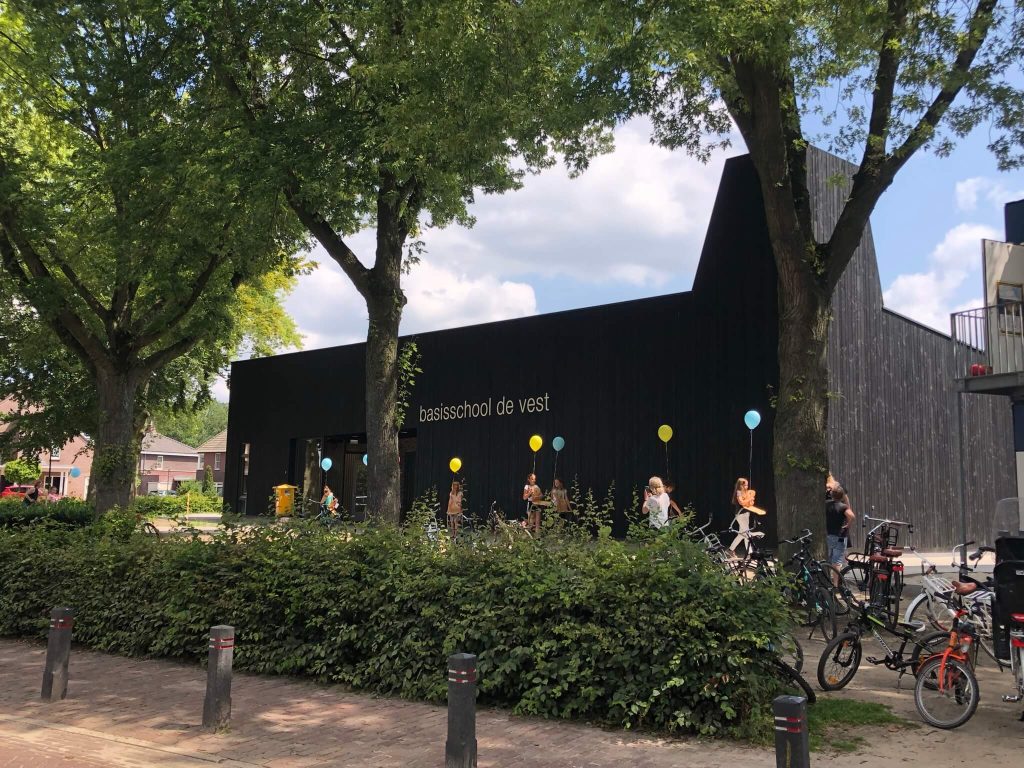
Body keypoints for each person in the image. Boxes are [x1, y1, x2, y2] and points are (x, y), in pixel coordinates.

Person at [728, 477, 766, 557]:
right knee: (747, 533)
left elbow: (749, 504)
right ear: (740, 485)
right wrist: (749, 500)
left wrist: (751, 500)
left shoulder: (746, 493)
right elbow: (742, 502)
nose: (747, 487)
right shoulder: (738, 492)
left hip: (746, 514)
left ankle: (731, 550)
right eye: (745, 485)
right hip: (740, 515)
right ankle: (750, 553)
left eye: (747, 485)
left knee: (742, 534)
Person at [825, 484, 855, 582]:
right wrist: (848, 525)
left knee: (828, 559)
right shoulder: (843, 507)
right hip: (840, 536)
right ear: (842, 496)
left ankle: (826, 580)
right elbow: (852, 516)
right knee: (837, 561)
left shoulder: (826, 504)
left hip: (829, 535)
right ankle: (835, 583)